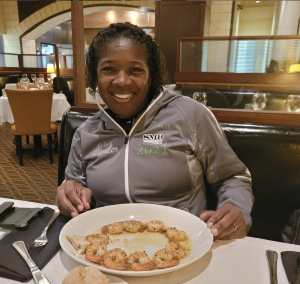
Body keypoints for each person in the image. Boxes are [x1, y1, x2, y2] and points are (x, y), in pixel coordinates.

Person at [55, 22, 254, 240]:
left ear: (151, 76)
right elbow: (73, 186)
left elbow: (233, 176)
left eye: (135, 70)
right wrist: (68, 194)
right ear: (95, 76)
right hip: (109, 248)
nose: (122, 80)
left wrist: (236, 209)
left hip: (184, 245)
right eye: (109, 69)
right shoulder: (86, 133)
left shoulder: (190, 115)